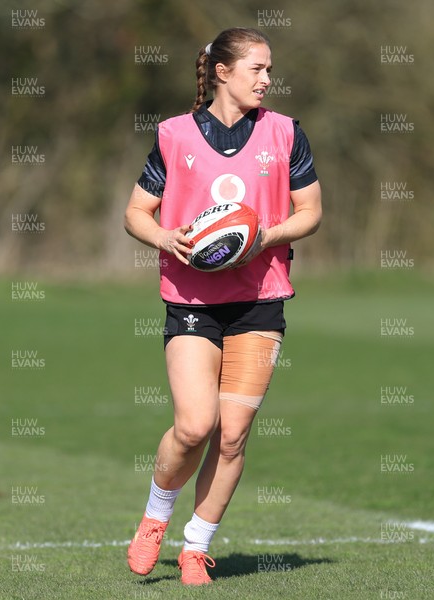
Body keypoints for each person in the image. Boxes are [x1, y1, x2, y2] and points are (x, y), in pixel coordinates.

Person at [124, 27, 322, 586]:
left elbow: (310, 210)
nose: (267, 78)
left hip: (260, 299)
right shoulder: (175, 136)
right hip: (192, 299)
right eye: (257, 68)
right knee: (195, 425)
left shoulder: (285, 133)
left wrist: (269, 236)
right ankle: (155, 517)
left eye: (269, 68)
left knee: (232, 434)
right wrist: (166, 239)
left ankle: (195, 548)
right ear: (222, 72)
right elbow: (136, 213)